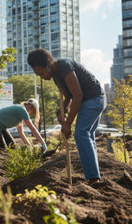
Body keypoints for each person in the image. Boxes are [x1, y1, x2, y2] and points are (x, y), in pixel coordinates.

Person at [27, 49, 106, 185]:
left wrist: (68, 123)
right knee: (87, 136)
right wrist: (61, 111)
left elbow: (78, 95)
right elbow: (69, 98)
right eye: (38, 75)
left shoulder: (64, 66)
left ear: (48, 63)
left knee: (81, 134)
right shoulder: (55, 76)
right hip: (91, 100)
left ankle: (93, 178)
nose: (42, 77)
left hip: (93, 98)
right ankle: (94, 177)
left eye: (41, 73)